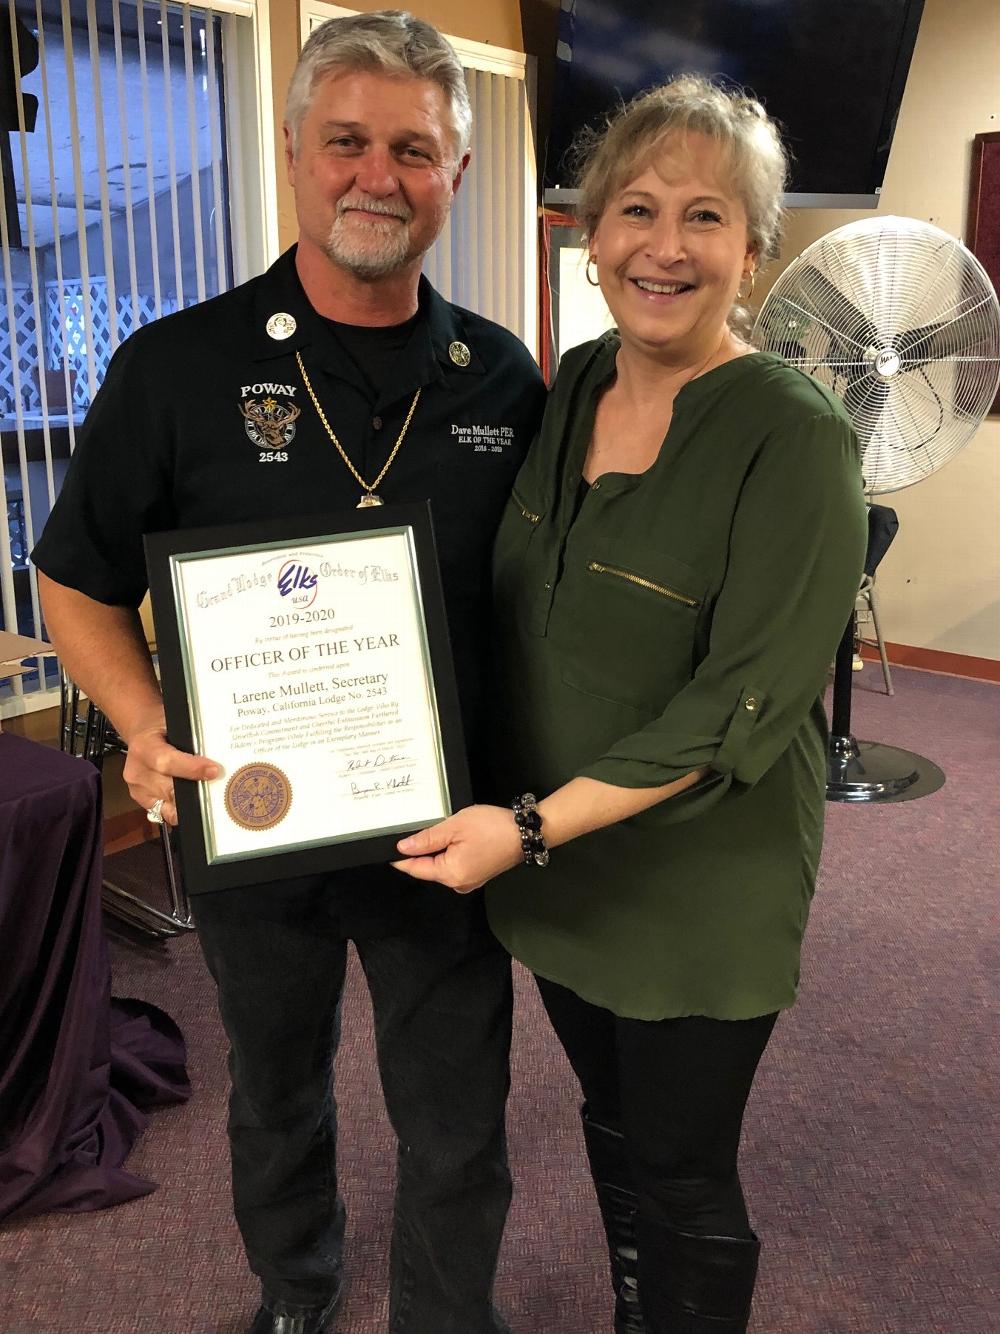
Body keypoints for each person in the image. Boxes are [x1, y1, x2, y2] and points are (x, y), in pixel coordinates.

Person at [32, 12, 545, 1334]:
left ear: (457, 173)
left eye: (414, 149)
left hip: (447, 822)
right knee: (276, 1088)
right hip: (255, 813)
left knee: (454, 1104)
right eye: (349, 142)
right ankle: (296, 1288)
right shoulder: (175, 366)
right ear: (295, 151)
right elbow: (75, 579)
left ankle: (447, 1312)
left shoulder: (500, 374)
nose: (380, 174)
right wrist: (146, 726)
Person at [394, 77, 868, 1333]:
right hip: (559, 871)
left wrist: (532, 824)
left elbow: (743, 698)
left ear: (754, 249)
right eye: (636, 210)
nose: (665, 246)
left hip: (695, 883)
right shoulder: (579, 379)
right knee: (610, 1124)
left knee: (683, 1169)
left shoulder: (793, 433)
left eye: (705, 217)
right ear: (589, 236)